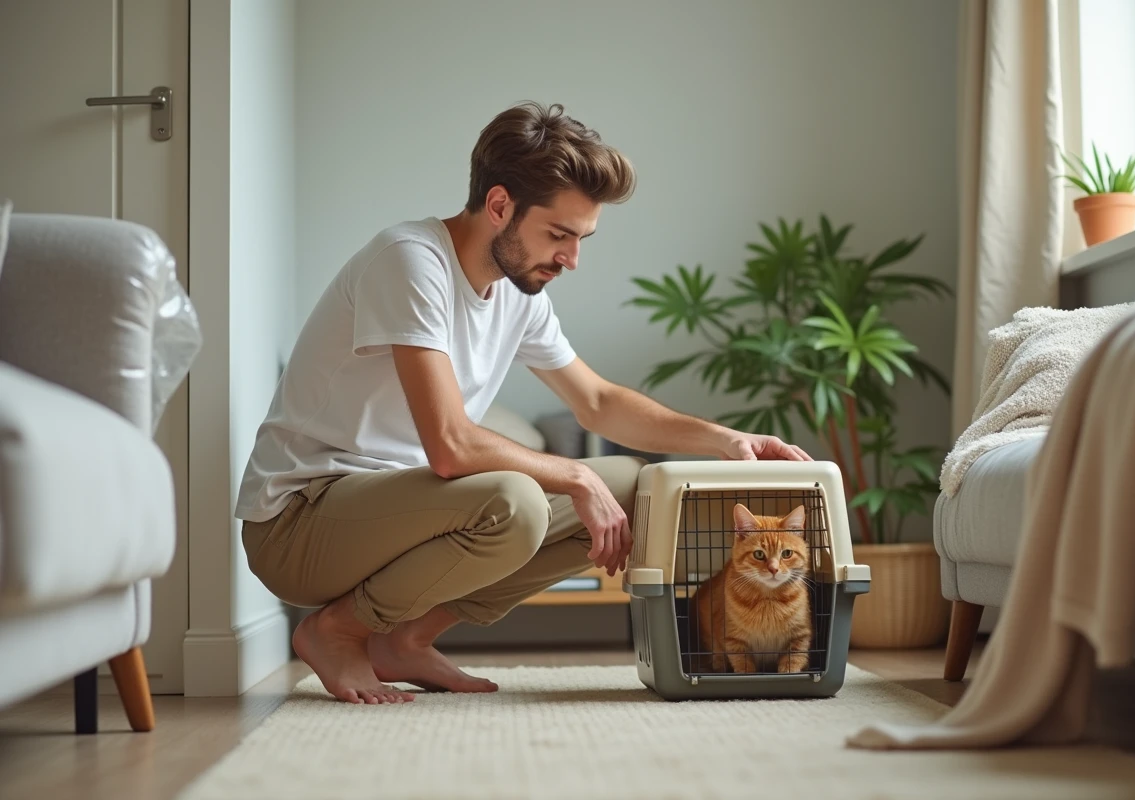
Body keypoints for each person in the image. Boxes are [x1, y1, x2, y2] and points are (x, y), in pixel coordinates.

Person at [234, 101, 813, 705]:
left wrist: (725, 439)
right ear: (500, 206)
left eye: (581, 238)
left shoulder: (519, 291)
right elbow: (451, 445)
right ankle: (336, 632)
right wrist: (572, 476)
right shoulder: (409, 261)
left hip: (397, 509)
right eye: (559, 235)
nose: (571, 259)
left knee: (633, 486)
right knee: (514, 503)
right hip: (302, 523)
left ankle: (404, 640)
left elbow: (597, 401)